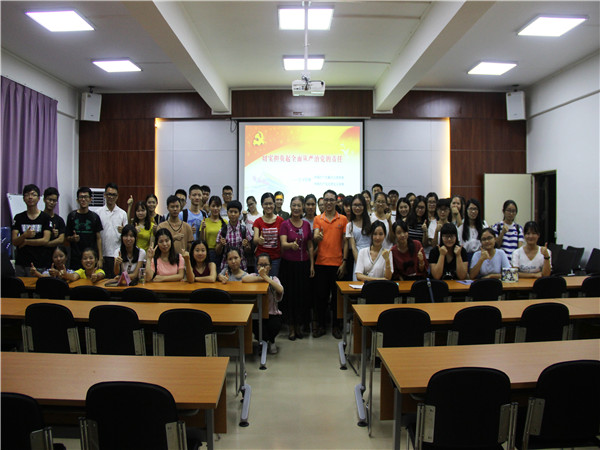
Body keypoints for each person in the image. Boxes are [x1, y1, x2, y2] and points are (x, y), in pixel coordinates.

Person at [313, 189, 348, 338]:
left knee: (336, 299)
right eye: (326, 200)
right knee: (321, 297)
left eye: (331, 200)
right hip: (321, 263)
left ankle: (336, 326)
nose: (328, 202)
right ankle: (321, 326)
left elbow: (345, 243)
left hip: (337, 264)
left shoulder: (343, 219)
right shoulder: (318, 218)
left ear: (336, 202)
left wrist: (344, 262)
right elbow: (316, 235)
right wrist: (317, 237)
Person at [279, 196, 314, 340]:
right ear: (290, 207)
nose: (296, 208)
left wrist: (312, 264)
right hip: (288, 266)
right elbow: (283, 244)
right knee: (290, 297)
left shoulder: (306, 225)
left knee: (302, 296)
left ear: (302, 207)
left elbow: (310, 245)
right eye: (294, 205)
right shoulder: (285, 224)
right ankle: (291, 328)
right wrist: (290, 245)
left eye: (299, 205)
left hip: (303, 265)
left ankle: (299, 326)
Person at [244, 253, 284, 354]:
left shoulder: (274, 279)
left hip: (272, 313)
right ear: (257, 266)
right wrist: (261, 277)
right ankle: (262, 342)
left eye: (265, 265)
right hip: (257, 313)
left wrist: (266, 278)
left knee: (274, 325)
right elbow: (245, 279)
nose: (263, 267)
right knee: (256, 326)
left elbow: (280, 290)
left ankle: (271, 341)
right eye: (260, 265)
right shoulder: (253, 276)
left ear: (270, 266)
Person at [11, 184, 51, 276]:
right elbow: (14, 241)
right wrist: (25, 235)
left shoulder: (45, 217)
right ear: (23, 198)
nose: (30, 197)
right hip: (21, 262)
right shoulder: (18, 217)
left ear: (39, 198)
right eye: (27, 195)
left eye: (33, 194)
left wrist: (26, 242)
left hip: (39, 262)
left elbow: (45, 240)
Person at [65, 187, 103, 270]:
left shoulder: (95, 217)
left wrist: (100, 258)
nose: (83, 200)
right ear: (77, 200)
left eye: (86, 197)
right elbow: (66, 237)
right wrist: (73, 238)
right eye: (81, 197)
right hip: (76, 257)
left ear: (90, 199)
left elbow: (98, 238)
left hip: (91, 258)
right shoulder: (72, 216)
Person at [97, 182, 128, 278]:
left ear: (117, 196)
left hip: (117, 256)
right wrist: (100, 257)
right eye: (109, 194)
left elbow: (127, 235)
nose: (111, 197)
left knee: (116, 281)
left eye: (114, 195)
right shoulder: (98, 213)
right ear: (105, 195)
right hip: (102, 255)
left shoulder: (122, 213)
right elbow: (97, 236)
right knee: (102, 281)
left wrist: (124, 231)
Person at [215, 200, 252, 272]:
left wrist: (246, 246)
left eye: (235, 212)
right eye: (231, 212)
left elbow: (248, 249)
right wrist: (221, 244)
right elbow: (217, 251)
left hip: (241, 265)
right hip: (226, 266)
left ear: (239, 214)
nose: (233, 214)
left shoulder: (244, 229)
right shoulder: (222, 231)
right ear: (227, 213)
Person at [253, 192, 284, 277]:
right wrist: (259, 240)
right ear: (262, 205)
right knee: (259, 282)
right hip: (260, 260)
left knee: (273, 282)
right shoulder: (257, 221)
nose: (268, 206)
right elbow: (255, 239)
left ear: (274, 204)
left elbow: (282, 240)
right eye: (266, 204)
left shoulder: (280, 220)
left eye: (270, 203)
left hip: (275, 259)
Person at [346, 194, 372, 281]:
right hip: (358, 256)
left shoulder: (371, 221)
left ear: (364, 206)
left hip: (372, 255)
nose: (357, 208)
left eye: (360, 205)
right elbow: (353, 247)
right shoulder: (350, 225)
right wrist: (359, 264)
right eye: (355, 205)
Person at [200, 196, 228, 264]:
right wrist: (203, 229)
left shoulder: (225, 222)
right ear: (209, 207)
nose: (215, 208)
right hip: (208, 252)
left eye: (217, 206)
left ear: (221, 207)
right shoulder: (204, 221)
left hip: (222, 252)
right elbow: (202, 240)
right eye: (213, 206)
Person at [41, 187, 66, 262]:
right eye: (49, 199)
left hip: (55, 257)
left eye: (54, 200)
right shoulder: (39, 218)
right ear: (44, 200)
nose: (51, 203)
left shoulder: (59, 220)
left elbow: (61, 239)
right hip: (40, 255)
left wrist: (46, 243)